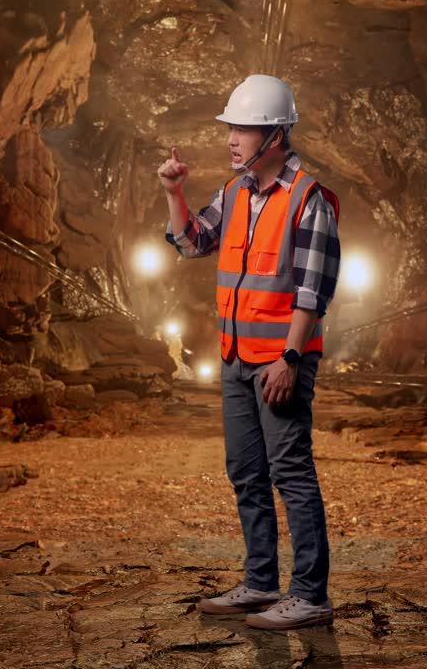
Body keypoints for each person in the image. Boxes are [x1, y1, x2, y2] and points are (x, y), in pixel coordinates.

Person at [159, 75, 341, 630]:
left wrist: (289, 358)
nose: (233, 139)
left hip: (280, 362)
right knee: (245, 471)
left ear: (277, 135)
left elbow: (313, 288)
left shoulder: (308, 198)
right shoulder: (234, 192)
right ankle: (261, 582)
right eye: (233, 127)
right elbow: (192, 242)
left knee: (291, 472)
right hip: (238, 359)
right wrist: (174, 192)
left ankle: (310, 595)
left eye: (246, 128)